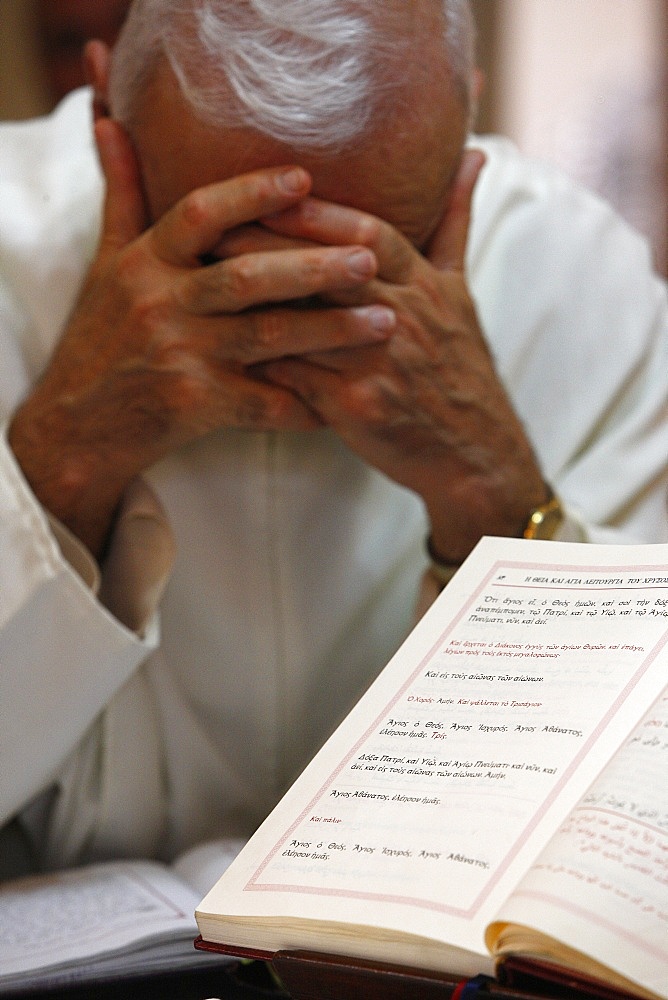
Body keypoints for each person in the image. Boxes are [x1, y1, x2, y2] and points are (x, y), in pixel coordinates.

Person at [0, 0, 666, 878]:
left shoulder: (581, 275)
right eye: (228, 263)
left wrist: (494, 494)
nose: (290, 330)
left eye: (371, 261)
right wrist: (65, 453)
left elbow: (634, 820)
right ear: (103, 118)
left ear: (468, 114)